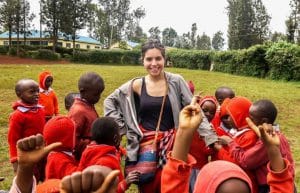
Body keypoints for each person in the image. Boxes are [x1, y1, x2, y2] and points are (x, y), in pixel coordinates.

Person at [104, 39, 217, 193]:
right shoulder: (137, 84)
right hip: (145, 145)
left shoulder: (176, 81)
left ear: (165, 59)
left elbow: (196, 110)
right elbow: (110, 101)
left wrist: (210, 138)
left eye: (158, 58)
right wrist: (124, 128)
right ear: (142, 60)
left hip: (173, 145)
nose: (154, 63)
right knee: (147, 183)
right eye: (149, 59)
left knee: (171, 183)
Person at [161, 102, 294, 193]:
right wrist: (273, 151)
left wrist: (184, 131)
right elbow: (282, 185)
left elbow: (174, 181)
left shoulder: (247, 136)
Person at [224, 99, 295, 193]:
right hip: (285, 182)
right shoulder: (278, 134)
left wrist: (230, 143)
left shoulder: (267, 141)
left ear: (264, 121)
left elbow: (246, 161)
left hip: (271, 186)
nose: (248, 120)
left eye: (252, 118)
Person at [78, 117, 140, 193]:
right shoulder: (106, 162)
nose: (121, 138)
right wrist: (125, 183)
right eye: (119, 135)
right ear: (115, 138)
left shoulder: (89, 151)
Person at [7, 79, 45, 180]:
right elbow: (12, 139)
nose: (37, 94)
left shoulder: (40, 109)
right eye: (32, 92)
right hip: (27, 155)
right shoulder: (17, 116)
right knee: (29, 181)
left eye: (38, 91)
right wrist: (15, 159)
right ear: (19, 94)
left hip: (41, 152)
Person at [68, 72, 105, 160]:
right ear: (82, 91)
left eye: (100, 94)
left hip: (92, 153)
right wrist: (93, 144)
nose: (99, 97)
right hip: (83, 157)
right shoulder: (78, 111)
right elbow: (73, 140)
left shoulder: (88, 105)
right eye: (96, 94)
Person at [188, 96, 217, 193]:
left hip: (200, 168)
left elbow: (208, 152)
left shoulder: (211, 128)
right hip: (187, 166)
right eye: (204, 111)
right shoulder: (190, 124)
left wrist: (213, 140)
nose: (208, 114)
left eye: (212, 113)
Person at [43, 116, 78, 180]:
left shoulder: (57, 154)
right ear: (65, 139)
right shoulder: (59, 160)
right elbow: (75, 177)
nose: (76, 136)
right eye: (74, 134)